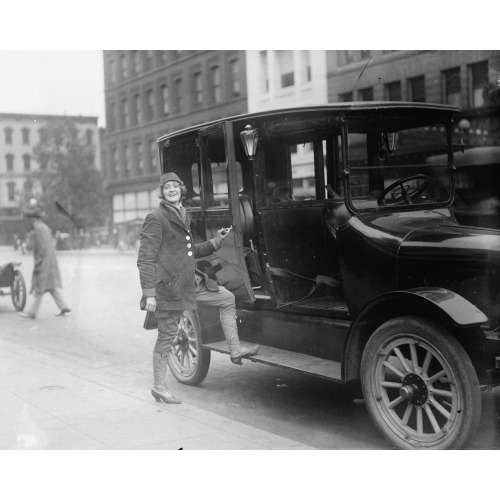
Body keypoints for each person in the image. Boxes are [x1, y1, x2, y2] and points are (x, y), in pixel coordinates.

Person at [137, 172, 259, 404]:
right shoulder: (156, 218)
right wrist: (149, 294)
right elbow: (145, 259)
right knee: (167, 337)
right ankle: (159, 387)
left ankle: (235, 350)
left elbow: (190, 252)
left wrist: (217, 241)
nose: (171, 190)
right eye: (167, 187)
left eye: (175, 186)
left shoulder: (183, 215)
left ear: (182, 190)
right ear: (161, 193)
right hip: (170, 289)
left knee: (226, 299)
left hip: (192, 282)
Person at [18, 206, 71, 319]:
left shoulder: (39, 229)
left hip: (44, 262)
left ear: (33, 219)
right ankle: (64, 306)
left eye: (29, 219)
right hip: (49, 260)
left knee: (40, 287)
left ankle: (32, 312)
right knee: (50, 286)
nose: (28, 221)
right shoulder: (44, 227)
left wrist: (38, 264)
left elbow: (42, 249)